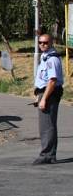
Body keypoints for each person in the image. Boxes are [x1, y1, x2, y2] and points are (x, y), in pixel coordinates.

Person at [33, 34, 64, 165]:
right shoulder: (45, 57)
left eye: (45, 43)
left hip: (49, 93)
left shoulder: (52, 59)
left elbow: (52, 81)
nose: (42, 45)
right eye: (40, 42)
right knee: (46, 125)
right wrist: (37, 95)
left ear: (51, 42)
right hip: (44, 92)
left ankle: (47, 154)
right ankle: (49, 154)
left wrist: (44, 99)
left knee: (47, 126)